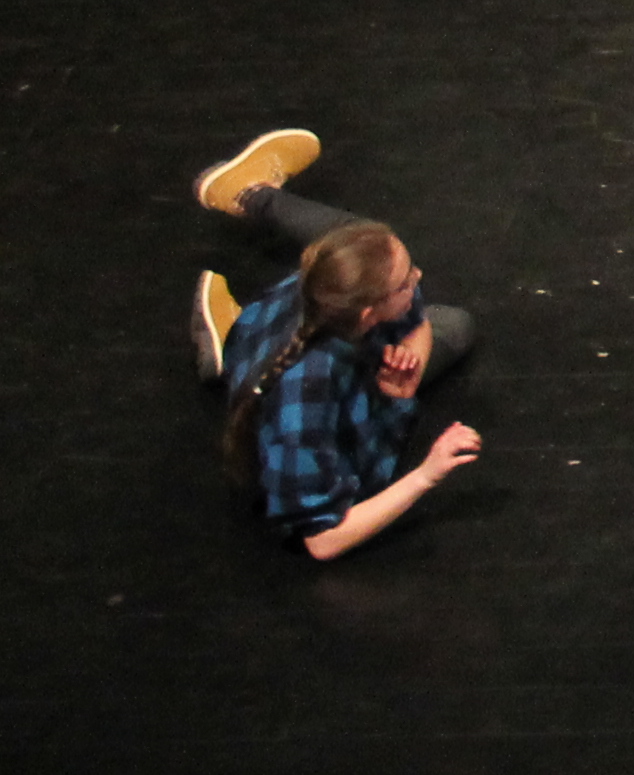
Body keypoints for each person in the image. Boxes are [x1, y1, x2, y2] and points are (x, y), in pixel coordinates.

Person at [188, 126, 484, 561]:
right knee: (451, 325)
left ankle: (234, 338)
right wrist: (427, 474)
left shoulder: (330, 287)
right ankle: (232, 345)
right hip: (325, 415)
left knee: (453, 324)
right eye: (405, 283)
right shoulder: (304, 402)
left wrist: (404, 381)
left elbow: (418, 325)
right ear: (368, 313)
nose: (418, 278)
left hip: (299, 353)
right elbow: (323, 541)